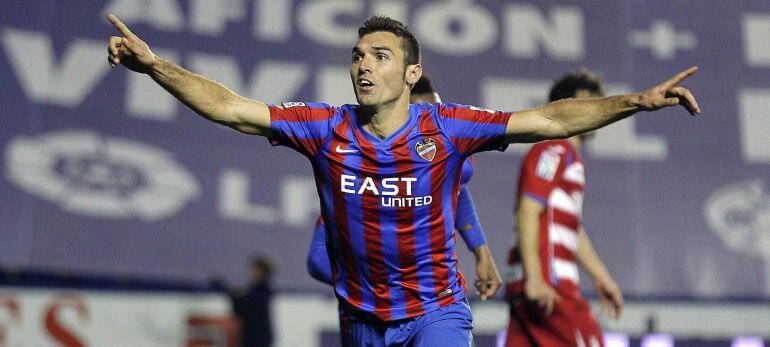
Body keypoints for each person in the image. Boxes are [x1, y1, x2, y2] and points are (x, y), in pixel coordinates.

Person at [106, 13, 700, 347]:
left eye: (380, 54)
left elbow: (548, 119)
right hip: (361, 319)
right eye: (359, 54)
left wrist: (638, 102)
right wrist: (156, 66)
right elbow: (230, 107)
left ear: (411, 73)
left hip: (436, 312)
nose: (363, 63)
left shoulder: (448, 127)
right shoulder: (323, 127)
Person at [307, 75, 502, 302]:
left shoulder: (447, 149)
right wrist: (385, 289)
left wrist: (481, 252)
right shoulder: (364, 170)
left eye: (438, 110)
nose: (437, 122)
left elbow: (458, 189)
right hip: (369, 308)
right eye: (426, 113)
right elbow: (318, 258)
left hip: (430, 301)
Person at [503, 68, 624, 347]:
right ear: (580, 101)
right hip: (548, 286)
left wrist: (602, 278)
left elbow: (570, 229)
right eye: (598, 103)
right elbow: (528, 210)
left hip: (534, 286)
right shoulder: (555, 149)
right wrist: (535, 278)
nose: (603, 112)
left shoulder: (565, 156)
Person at [229, 256, 275, 347]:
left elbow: (245, 306)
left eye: (254, 269)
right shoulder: (255, 290)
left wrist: (234, 295)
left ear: (261, 271)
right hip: (252, 336)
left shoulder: (262, 291)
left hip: (258, 337)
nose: (251, 271)